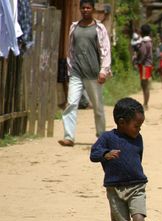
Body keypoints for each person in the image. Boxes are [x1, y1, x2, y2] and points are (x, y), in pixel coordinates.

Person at [90, 97, 150, 221]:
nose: (139, 130)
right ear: (122, 123)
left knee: (139, 220)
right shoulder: (108, 138)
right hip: (114, 189)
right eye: (136, 125)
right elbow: (93, 154)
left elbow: (137, 159)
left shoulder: (138, 138)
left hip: (137, 185)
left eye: (140, 126)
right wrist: (105, 155)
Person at [58, 0, 111, 147]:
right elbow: (71, 50)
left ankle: (101, 136)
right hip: (76, 72)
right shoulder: (74, 27)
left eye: (88, 7)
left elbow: (106, 50)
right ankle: (69, 137)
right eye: (83, 8)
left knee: (98, 107)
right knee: (71, 103)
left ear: (93, 9)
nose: (85, 10)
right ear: (80, 10)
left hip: (94, 73)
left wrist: (104, 70)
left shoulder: (99, 28)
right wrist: (70, 68)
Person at [132, 24, 153, 110]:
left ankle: (145, 104)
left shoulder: (145, 43)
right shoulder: (149, 42)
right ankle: (145, 103)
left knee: (145, 84)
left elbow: (143, 54)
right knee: (144, 84)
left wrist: (137, 61)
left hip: (145, 65)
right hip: (146, 64)